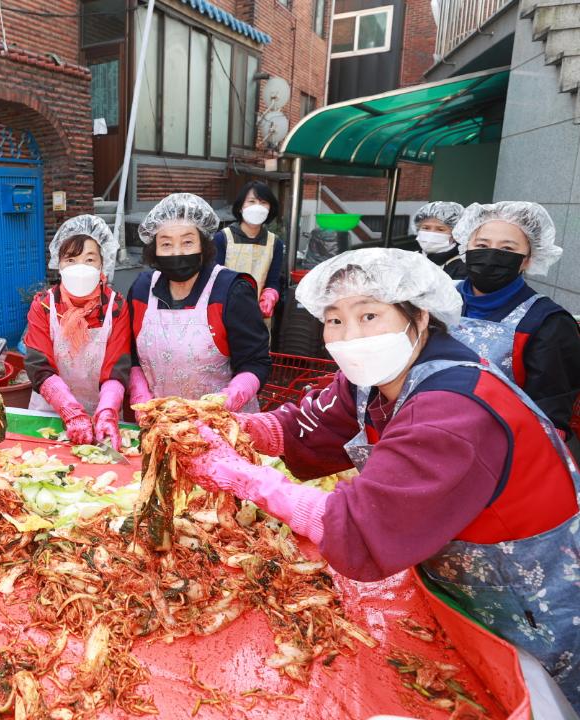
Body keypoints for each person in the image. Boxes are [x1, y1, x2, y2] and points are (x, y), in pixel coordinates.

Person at [179, 248, 580, 707]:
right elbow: (307, 425)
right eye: (334, 320)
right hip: (458, 587)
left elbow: (358, 522)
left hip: (529, 603)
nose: (350, 336)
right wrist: (238, 428)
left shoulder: (452, 410)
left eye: (369, 315)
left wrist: (246, 479)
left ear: (421, 316)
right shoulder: (376, 379)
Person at [128, 193, 271, 415]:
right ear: (153, 249)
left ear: (203, 245)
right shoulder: (142, 290)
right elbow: (133, 356)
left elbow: (256, 362)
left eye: (187, 242)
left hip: (223, 424)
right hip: (159, 422)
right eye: (166, 244)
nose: (177, 252)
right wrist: (140, 394)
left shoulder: (230, 290)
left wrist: (226, 400)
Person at [451, 201, 580, 439]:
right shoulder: (437, 300)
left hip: (497, 450)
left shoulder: (547, 324)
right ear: (465, 248)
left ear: (528, 259)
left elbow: (549, 414)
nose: (491, 256)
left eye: (508, 249)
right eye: (481, 245)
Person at [24, 215, 130, 446]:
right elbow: (39, 366)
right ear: (58, 265)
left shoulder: (116, 307)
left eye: (89, 259)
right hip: (50, 412)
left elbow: (117, 368)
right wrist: (69, 410)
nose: (80, 268)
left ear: (103, 263)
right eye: (70, 260)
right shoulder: (44, 305)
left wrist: (107, 411)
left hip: (102, 414)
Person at [213, 181, 285, 321]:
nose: (257, 207)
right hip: (225, 314)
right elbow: (214, 279)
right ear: (240, 207)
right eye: (251, 201)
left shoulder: (275, 243)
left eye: (263, 202)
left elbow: (273, 280)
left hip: (259, 315)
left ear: (270, 208)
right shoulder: (222, 238)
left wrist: (270, 295)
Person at [410, 201, 466, 279]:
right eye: (426, 228)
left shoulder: (463, 265)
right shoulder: (410, 259)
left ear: (455, 234)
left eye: (440, 229)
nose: (431, 234)